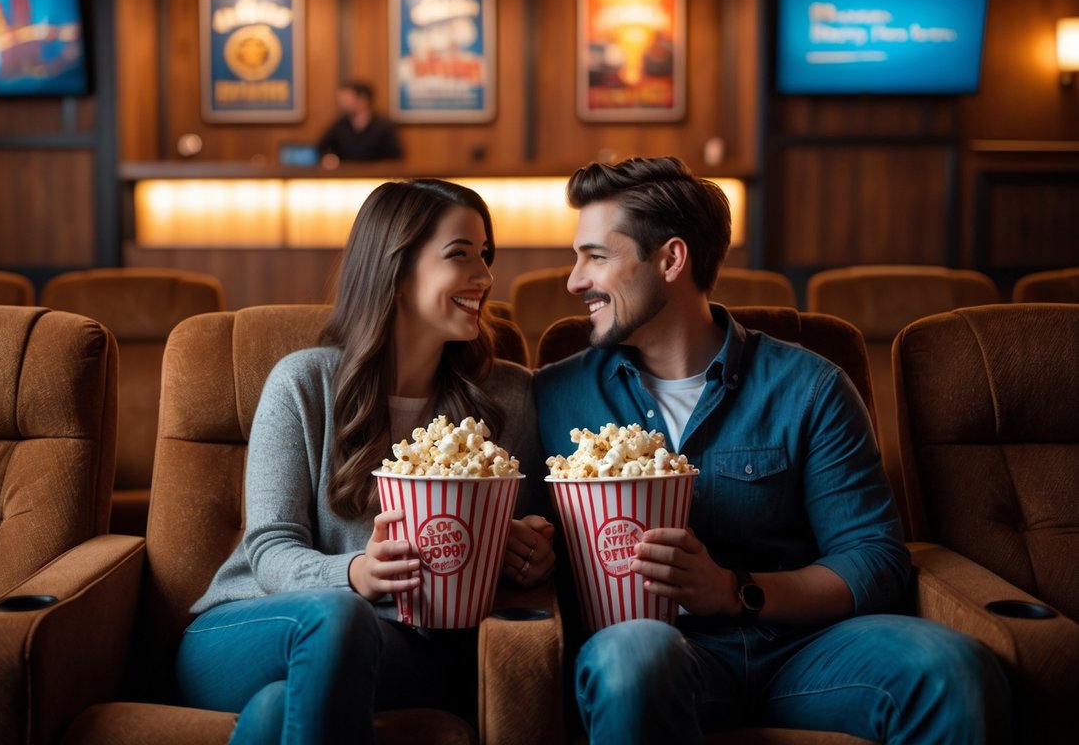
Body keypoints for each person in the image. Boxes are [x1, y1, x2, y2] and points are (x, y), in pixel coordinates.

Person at [533, 156, 1010, 744]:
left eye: (596, 257)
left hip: (805, 651)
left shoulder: (809, 387)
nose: (575, 280)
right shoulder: (555, 396)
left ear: (671, 259)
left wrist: (734, 590)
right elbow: (534, 542)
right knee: (634, 656)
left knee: (953, 670)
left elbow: (873, 560)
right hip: (659, 654)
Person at [175, 178, 555, 744]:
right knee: (339, 619)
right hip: (252, 630)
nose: (484, 276)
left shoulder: (509, 399)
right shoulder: (303, 383)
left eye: (485, 256)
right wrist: (353, 574)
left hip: (406, 650)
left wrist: (528, 551)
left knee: (279, 711)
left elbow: (497, 557)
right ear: (396, 271)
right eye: (460, 256)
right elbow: (269, 549)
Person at [317, 81, 403, 165]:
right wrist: (329, 157)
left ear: (363, 99)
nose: (342, 102)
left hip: (377, 175)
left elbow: (395, 156)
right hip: (346, 174)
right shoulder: (339, 124)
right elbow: (323, 147)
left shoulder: (384, 125)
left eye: (346, 98)